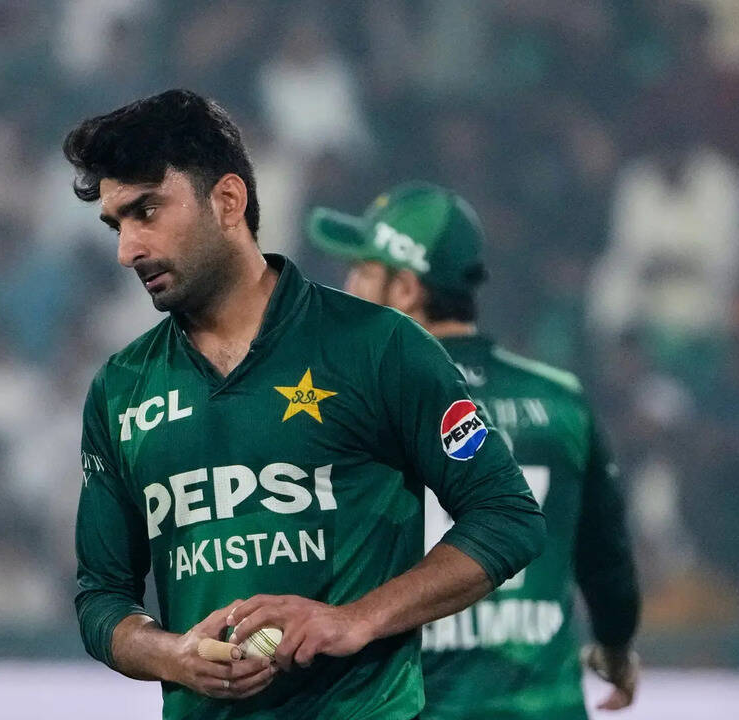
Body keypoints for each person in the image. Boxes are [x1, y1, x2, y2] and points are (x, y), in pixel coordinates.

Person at [66, 90, 545, 720]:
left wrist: (355, 619)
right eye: (117, 224)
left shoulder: (378, 347)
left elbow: (508, 516)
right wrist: (172, 654)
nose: (127, 249)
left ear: (227, 201)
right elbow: (101, 596)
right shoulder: (120, 389)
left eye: (146, 211)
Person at [308, 182, 641, 719]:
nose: (348, 287)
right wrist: (616, 646)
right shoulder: (561, 401)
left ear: (405, 289)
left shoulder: (359, 404)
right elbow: (608, 559)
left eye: (363, 271)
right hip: (543, 708)